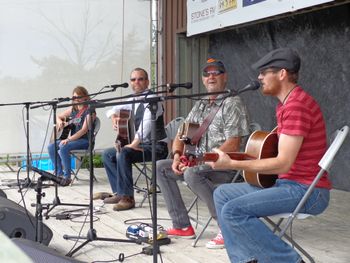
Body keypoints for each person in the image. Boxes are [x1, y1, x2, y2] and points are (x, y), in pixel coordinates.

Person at [211, 48, 331, 263]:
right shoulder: (286, 104)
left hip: (307, 191)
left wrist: (232, 163)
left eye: (264, 72)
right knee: (222, 194)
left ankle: (290, 261)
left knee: (232, 211)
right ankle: (246, 259)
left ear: (282, 74)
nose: (259, 77)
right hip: (289, 185)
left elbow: (283, 163)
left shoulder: (297, 106)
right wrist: (232, 158)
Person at [156, 58, 250, 249]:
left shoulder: (232, 103)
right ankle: (182, 225)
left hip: (227, 166)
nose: (211, 77)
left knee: (192, 173)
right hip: (199, 164)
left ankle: (227, 227)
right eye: (207, 73)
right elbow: (183, 134)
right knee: (161, 167)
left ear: (225, 77)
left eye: (216, 73)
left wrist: (198, 161)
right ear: (202, 79)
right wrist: (176, 157)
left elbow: (233, 143)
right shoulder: (201, 104)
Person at [99, 68, 168, 211]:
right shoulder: (132, 99)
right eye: (133, 79)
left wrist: (133, 144)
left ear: (147, 82)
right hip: (141, 144)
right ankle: (119, 192)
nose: (136, 82)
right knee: (107, 154)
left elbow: (146, 125)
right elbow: (112, 109)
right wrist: (114, 118)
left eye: (140, 79)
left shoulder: (153, 100)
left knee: (124, 152)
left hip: (157, 146)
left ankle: (128, 198)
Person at [48, 86, 94, 186]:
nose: (75, 99)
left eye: (78, 96)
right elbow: (57, 116)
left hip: (85, 141)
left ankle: (67, 177)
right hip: (73, 141)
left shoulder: (90, 110)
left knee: (63, 146)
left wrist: (68, 139)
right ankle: (58, 174)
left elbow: (84, 130)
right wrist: (60, 122)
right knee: (51, 146)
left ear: (85, 97)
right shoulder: (74, 109)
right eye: (74, 97)